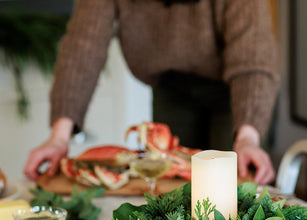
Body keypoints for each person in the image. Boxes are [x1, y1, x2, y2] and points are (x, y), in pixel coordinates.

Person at [23, 0, 280, 185]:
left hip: (236, 92)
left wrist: (247, 138)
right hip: (171, 88)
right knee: (173, 188)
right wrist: (59, 136)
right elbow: (83, 46)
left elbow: (253, 56)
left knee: (235, 188)